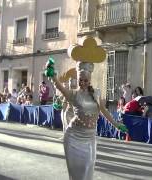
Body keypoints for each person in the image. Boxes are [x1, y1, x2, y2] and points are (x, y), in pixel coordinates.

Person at [45, 36, 127, 180]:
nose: (82, 82)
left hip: (89, 138)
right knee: (77, 175)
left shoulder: (97, 93)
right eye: (81, 80)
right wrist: (52, 75)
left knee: (87, 171)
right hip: (73, 137)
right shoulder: (73, 94)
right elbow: (58, 86)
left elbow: (103, 110)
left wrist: (116, 124)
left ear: (90, 79)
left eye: (85, 80)